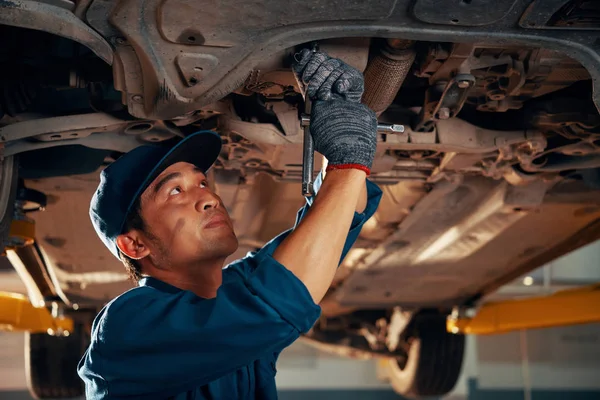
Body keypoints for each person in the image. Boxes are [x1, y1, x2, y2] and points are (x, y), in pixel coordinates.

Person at [78, 49, 383, 400]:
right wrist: (348, 163)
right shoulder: (126, 328)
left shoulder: (234, 301)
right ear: (135, 245)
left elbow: (332, 230)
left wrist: (342, 113)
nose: (209, 198)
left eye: (202, 182)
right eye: (175, 191)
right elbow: (283, 295)